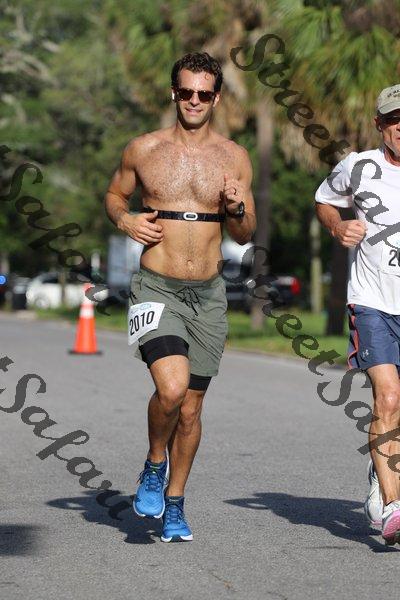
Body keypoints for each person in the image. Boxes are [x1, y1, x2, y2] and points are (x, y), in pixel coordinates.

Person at [104, 52, 256, 542]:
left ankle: (175, 502)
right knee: (171, 390)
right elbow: (114, 195)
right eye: (186, 92)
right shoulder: (143, 149)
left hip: (208, 295)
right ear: (174, 93)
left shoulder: (234, 157)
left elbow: (245, 232)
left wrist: (237, 208)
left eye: (204, 94)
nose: (194, 101)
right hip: (156, 287)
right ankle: (154, 464)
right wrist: (125, 219)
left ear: (216, 98)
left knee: (191, 408)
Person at [315, 84, 400, 545]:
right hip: (372, 303)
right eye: (394, 119)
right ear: (379, 124)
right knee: (387, 397)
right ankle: (393, 506)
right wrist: (338, 225)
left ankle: (379, 468)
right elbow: (325, 201)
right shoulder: (357, 166)